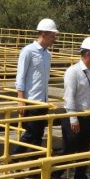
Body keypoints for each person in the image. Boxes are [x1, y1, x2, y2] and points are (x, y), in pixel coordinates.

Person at [59, 36, 90, 179]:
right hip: (74, 117)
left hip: (88, 117)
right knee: (69, 150)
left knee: (85, 151)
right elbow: (69, 96)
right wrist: (73, 117)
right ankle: (55, 176)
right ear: (88, 54)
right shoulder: (73, 72)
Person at [13, 18, 58, 157]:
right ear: (43, 34)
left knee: (38, 135)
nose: (54, 39)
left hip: (42, 101)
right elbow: (20, 76)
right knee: (31, 133)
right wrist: (21, 99)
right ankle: (12, 159)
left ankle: (34, 167)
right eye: (52, 36)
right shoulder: (28, 51)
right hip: (31, 100)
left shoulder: (47, 54)